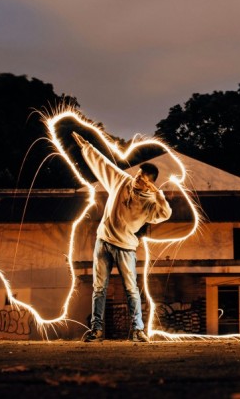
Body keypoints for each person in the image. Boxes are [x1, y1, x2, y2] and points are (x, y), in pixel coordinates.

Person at [72, 132, 172, 343]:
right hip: (103, 241)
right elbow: (104, 165)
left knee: (131, 290)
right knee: (99, 288)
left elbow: (166, 214)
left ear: (149, 185)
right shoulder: (122, 181)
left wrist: (158, 194)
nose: (136, 179)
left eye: (141, 179)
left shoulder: (149, 205)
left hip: (126, 248)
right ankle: (96, 330)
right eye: (137, 175)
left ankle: (137, 330)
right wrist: (86, 146)